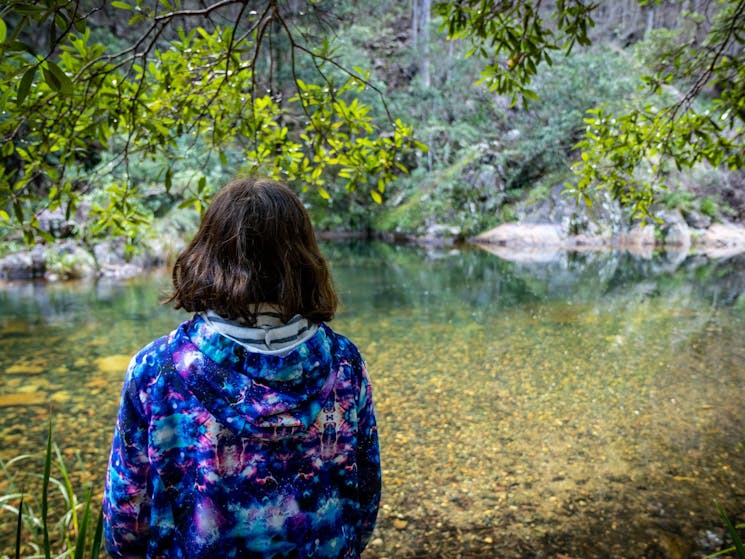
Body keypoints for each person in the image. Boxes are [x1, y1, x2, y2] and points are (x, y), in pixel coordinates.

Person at [102, 177, 381, 559]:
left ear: (209, 253)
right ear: (302, 258)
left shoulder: (157, 371)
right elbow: (365, 495)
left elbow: (126, 519)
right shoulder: (345, 364)